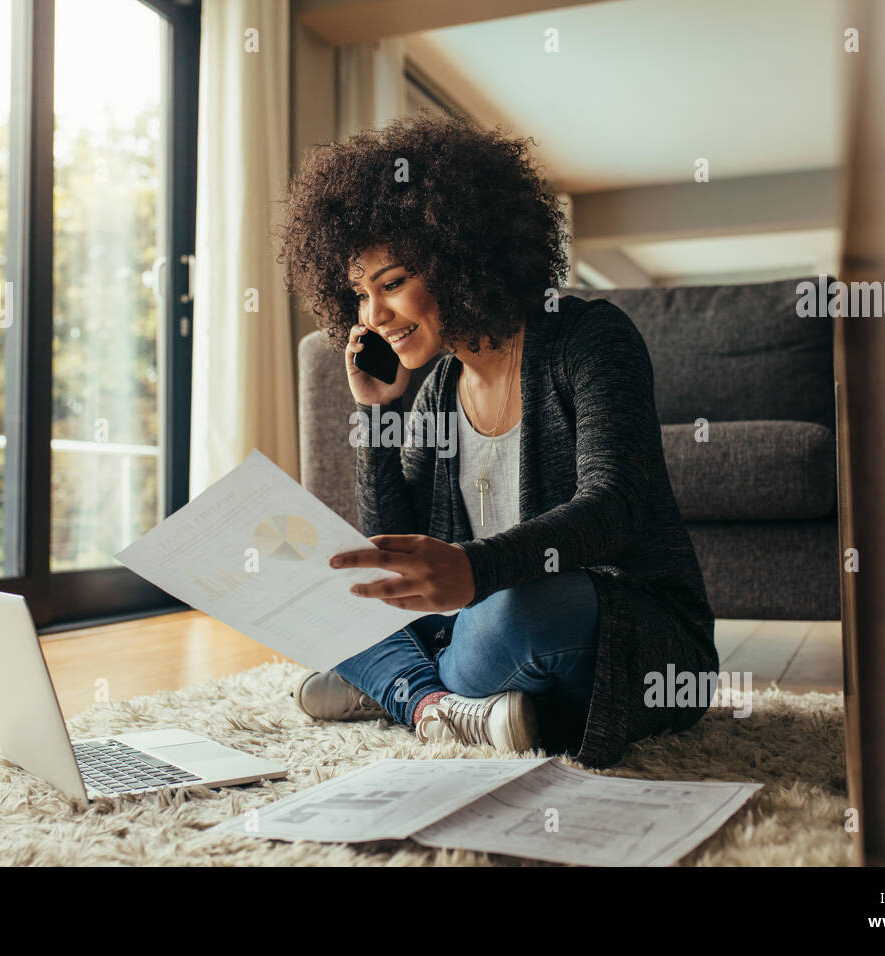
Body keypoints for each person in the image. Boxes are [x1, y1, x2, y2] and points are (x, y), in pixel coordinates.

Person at [277, 113, 718, 767]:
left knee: (516, 612)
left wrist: (474, 572)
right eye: (360, 294)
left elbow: (616, 506)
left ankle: (403, 687)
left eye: (393, 283)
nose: (373, 316)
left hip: (621, 635)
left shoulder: (589, 340)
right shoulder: (435, 391)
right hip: (480, 631)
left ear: (463, 253)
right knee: (344, 596)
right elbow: (394, 554)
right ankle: (445, 709)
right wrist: (376, 414)